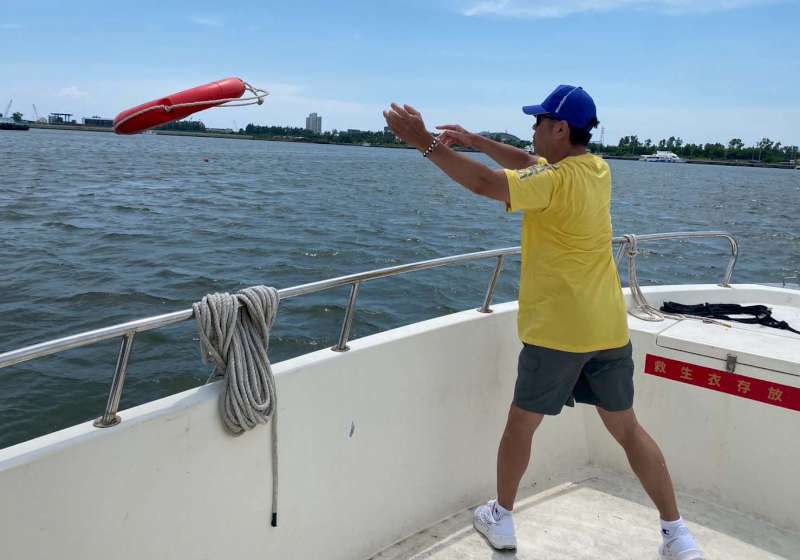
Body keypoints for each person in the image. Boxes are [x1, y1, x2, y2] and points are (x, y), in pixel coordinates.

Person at [383, 85, 703, 560]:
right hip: (607, 329)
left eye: (539, 121)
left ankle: (502, 517)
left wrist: (423, 142)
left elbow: (485, 184)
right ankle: (677, 534)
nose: (532, 129)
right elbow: (527, 162)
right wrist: (475, 140)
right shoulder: (596, 170)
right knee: (628, 429)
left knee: (521, 425)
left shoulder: (552, 183)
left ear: (559, 128)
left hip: (559, 332)